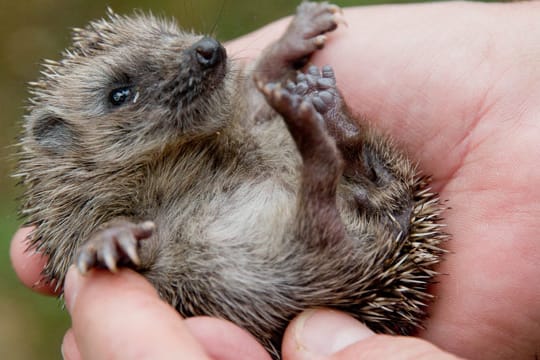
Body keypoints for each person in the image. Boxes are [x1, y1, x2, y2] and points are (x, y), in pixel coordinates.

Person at [10, 1, 540, 359]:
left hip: (308, 213)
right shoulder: (93, 200)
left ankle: (329, 162)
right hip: (290, 262)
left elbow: (249, 97)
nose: (200, 51)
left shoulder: (218, 111)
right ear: (61, 141)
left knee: (256, 109)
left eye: (174, 40)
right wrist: (112, 238)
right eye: (123, 94)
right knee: (195, 260)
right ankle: (327, 161)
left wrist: (281, 53)